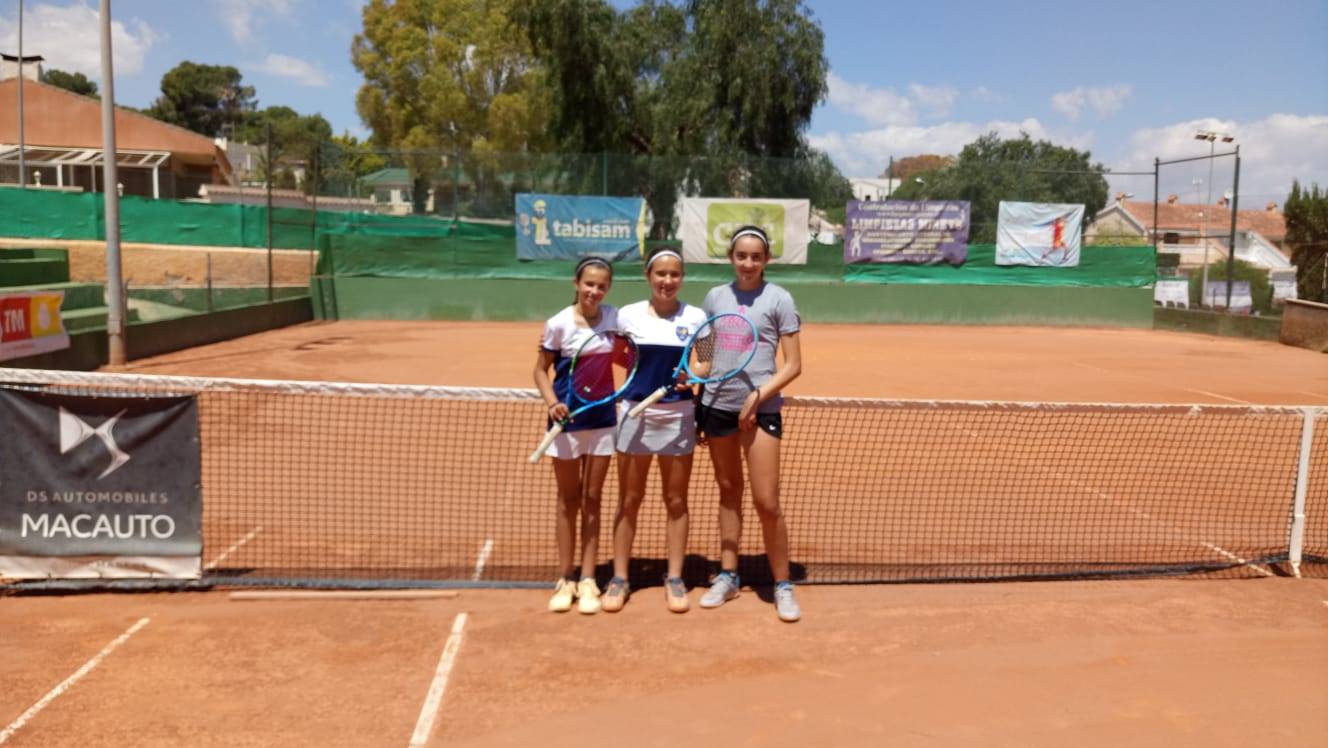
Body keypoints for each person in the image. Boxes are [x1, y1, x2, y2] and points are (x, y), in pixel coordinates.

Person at [697, 226, 803, 622]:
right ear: (731, 257)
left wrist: (758, 396)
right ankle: (728, 576)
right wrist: (693, 377)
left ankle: (783, 583)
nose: (748, 263)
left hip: (761, 410)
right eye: (741, 255)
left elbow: (793, 365)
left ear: (766, 259)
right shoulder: (715, 297)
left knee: (766, 501)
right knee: (728, 491)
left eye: (756, 257)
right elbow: (705, 355)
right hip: (717, 405)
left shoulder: (779, 299)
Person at [601, 247, 707, 613]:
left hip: (678, 417)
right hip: (635, 415)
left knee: (676, 501)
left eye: (674, 274)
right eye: (661, 274)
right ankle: (620, 577)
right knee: (629, 499)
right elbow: (617, 355)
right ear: (648, 276)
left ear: (682, 278)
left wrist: (692, 375)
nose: (667, 280)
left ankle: (675, 577)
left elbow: (708, 359)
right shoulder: (627, 315)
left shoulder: (697, 317)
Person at [532, 257, 619, 614]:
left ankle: (587, 578)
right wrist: (552, 403)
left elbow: (631, 355)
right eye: (589, 284)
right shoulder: (558, 324)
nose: (594, 291)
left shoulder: (614, 319)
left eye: (601, 286)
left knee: (592, 499)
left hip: (603, 421)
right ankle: (565, 577)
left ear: (608, 288)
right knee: (568, 500)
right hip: (566, 423)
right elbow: (540, 371)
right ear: (576, 283)